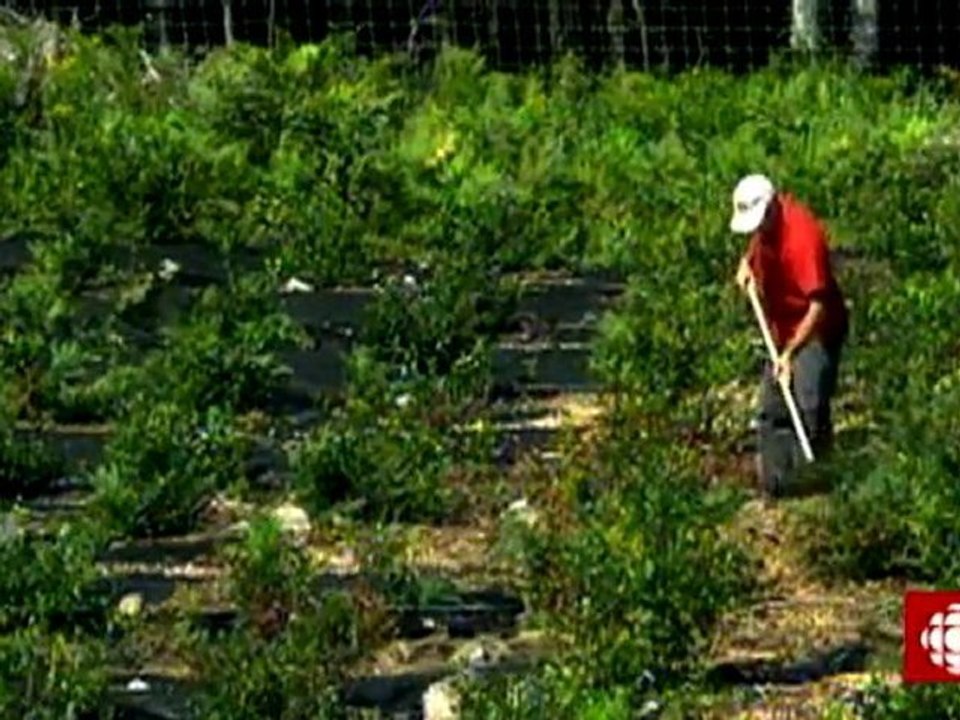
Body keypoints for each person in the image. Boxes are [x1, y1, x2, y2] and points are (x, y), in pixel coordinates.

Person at [730, 174, 849, 498]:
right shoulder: (766, 229)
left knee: (808, 403)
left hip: (816, 330)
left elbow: (819, 305)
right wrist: (748, 266)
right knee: (771, 408)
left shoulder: (802, 239)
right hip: (782, 330)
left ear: (772, 209)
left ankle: (813, 485)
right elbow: (758, 246)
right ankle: (776, 486)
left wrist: (791, 353)